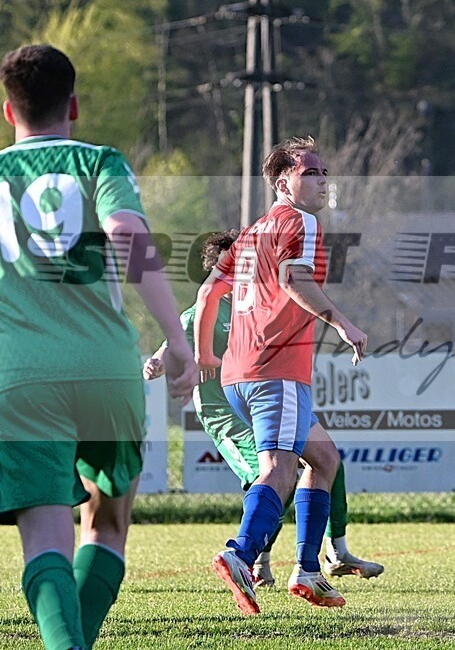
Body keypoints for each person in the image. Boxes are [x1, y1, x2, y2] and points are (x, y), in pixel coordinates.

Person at [0, 44, 199, 650]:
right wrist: (177, 337)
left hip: (21, 375)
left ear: (10, 112)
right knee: (107, 526)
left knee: (44, 539)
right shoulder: (100, 161)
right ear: (75, 106)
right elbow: (126, 233)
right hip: (106, 370)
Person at [144, 231, 383, 588]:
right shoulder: (203, 310)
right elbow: (174, 342)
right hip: (226, 413)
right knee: (273, 474)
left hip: (267, 400)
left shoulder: (258, 302)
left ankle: (335, 554)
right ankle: (256, 561)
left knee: (327, 459)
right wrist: (158, 363)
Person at [194, 136, 368, 615]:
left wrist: (207, 355)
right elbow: (294, 280)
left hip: (240, 374)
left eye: (323, 171)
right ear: (282, 182)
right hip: (277, 369)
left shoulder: (252, 232)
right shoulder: (301, 221)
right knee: (279, 468)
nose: (321, 179)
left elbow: (210, 293)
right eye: (309, 171)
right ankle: (241, 554)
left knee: (324, 458)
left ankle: (309, 571)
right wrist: (343, 323)